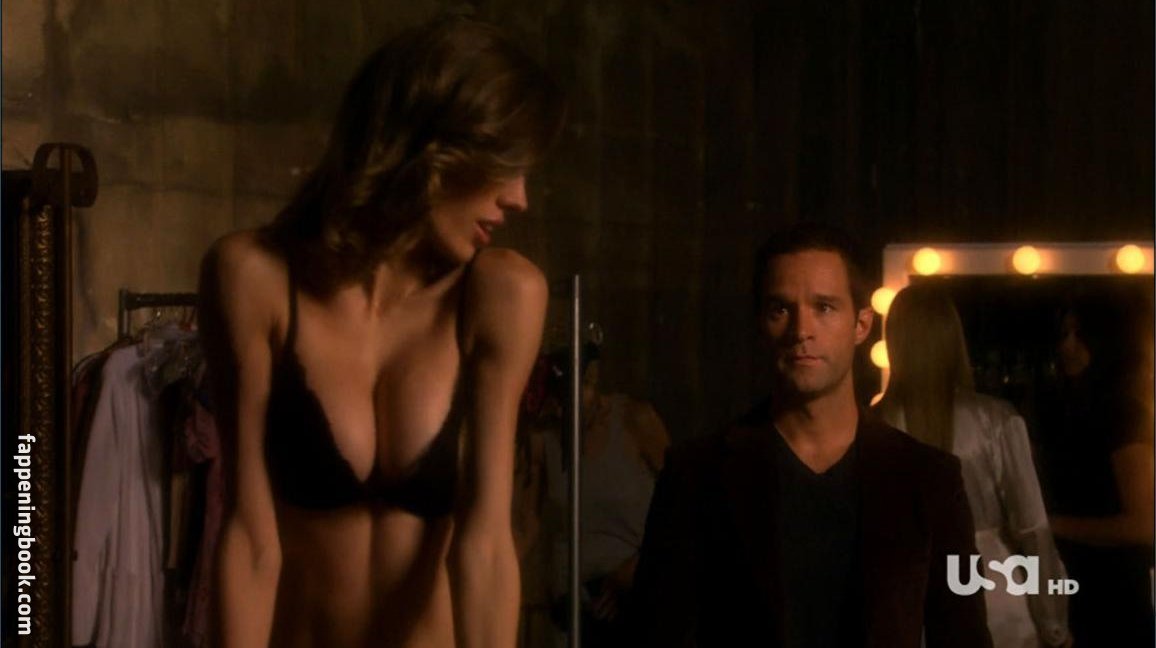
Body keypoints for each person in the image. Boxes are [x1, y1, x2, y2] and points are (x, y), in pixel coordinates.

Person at [197, 17, 565, 647]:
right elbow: (250, 539)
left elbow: (484, 547)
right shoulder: (254, 278)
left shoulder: (501, 295)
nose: (519, 198)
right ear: (430, 144)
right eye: (504, 166)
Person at [629, 223, 992, 647]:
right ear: (760, 323)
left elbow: (964, 636)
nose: (801, 329)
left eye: (824, 307)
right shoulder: (697, 474)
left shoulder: (928, 478)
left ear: (861, 325)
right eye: (780, 309)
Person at [874, 283, 1070, 648]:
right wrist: (1054, 623)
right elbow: (1033, 530)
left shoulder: (871, 425)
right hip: (997, 597)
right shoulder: (994, 420)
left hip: (907, 601)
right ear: (953, 339)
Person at [1034, 294, 1155, 646]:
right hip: (1079, 583)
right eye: (1064, 334)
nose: (1067, 346)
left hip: (1114, 592)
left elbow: (1143, 524)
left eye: (1079, 334)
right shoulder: (1075, 409)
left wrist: (1049, 523)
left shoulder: (1123, 414)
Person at [537, 343, 671, 647]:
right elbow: (525, 522)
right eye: (557, 400)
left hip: (629, 599)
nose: (562, 412)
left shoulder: (635, 420)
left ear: (590, 383)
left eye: (570, 399)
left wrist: (637, 566)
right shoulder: (546, 437)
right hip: (569, 609)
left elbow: (681, 501)